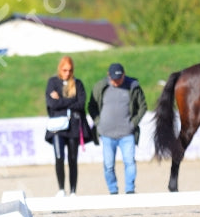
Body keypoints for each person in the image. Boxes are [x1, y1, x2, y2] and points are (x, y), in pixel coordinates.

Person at [88, 63, 147, 195]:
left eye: (119, 79)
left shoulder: (133, 86)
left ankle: (130, 189)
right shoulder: (100, 87)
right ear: (108, 75)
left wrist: (133, 124)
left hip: (127, 134)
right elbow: (91, 106)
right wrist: (99, 122)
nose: (116, 82)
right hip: (107, 134)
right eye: (114, 79)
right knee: (108, 165)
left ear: (124, 75)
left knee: (129, 162)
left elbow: (143, 106)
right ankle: (113, 190)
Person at [45, 56, 91, 197]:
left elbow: (81, 104)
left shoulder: (78, 84)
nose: (67, 73)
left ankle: (73, 190)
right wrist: (71, 101)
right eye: (65, 70)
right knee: (59, 157)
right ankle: (61, 189)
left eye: (70, 70)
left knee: (72, 159)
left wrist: (61, 100)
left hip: (74, 127)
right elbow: (52, 105)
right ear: (60, 69)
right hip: (57, 127)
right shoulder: (52, 82)